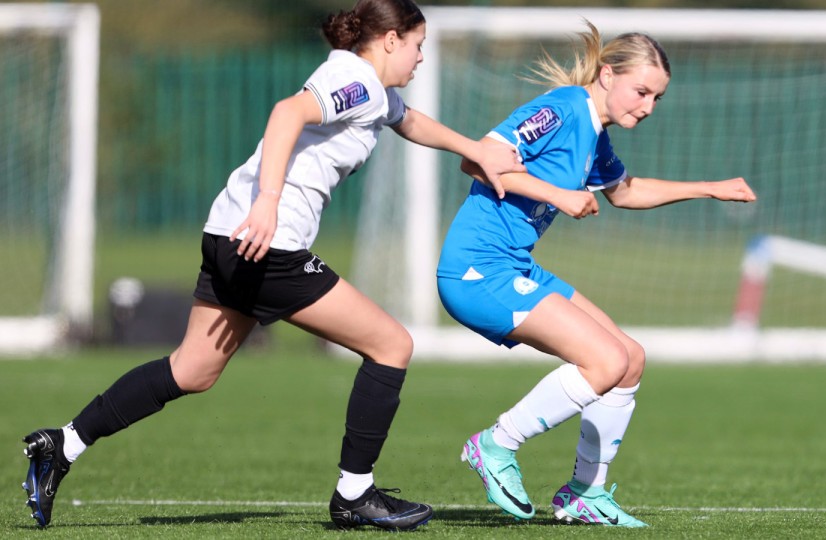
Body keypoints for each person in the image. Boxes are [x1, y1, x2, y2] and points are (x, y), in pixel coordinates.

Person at [20, 0, 523, 532]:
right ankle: (354, 493)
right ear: (391, 39)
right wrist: (268, 199)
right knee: (391, 345)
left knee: (192, 370)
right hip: (268, 243)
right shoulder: (358, 81)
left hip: (226, 235)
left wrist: (475, 149)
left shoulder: (369, 88)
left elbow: (409, 119)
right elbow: (288, 112)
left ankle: (64, 443)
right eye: (418, 45)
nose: (421, 58)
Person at [437, 21, 756, 528]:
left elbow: (625, 191)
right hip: (477, 270)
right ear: (608, 75)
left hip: (516, 266)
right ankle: (495, 445)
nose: (649, 106)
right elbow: (478, 163)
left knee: (629, 359)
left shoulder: (595, 131)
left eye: (657, 98)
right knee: (604, 360)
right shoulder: (561, 109)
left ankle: (585, 492)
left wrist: (709, 188)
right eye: (642, 91)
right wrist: (559, 194)